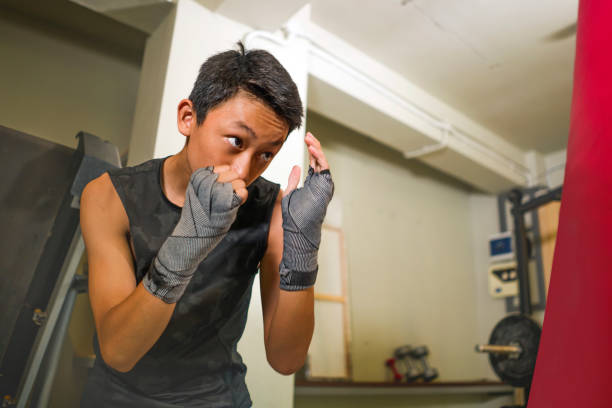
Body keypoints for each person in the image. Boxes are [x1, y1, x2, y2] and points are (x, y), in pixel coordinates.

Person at [79, 42, 334, 407]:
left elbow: (286, 359)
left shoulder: (273, 209)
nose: (245, 171)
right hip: (117, 397)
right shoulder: (110, 196)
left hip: (217, 398)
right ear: (188, 117)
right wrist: (187, 243)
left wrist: (303, 249)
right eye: (235, 141)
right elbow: (119, 352)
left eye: (266, 154)